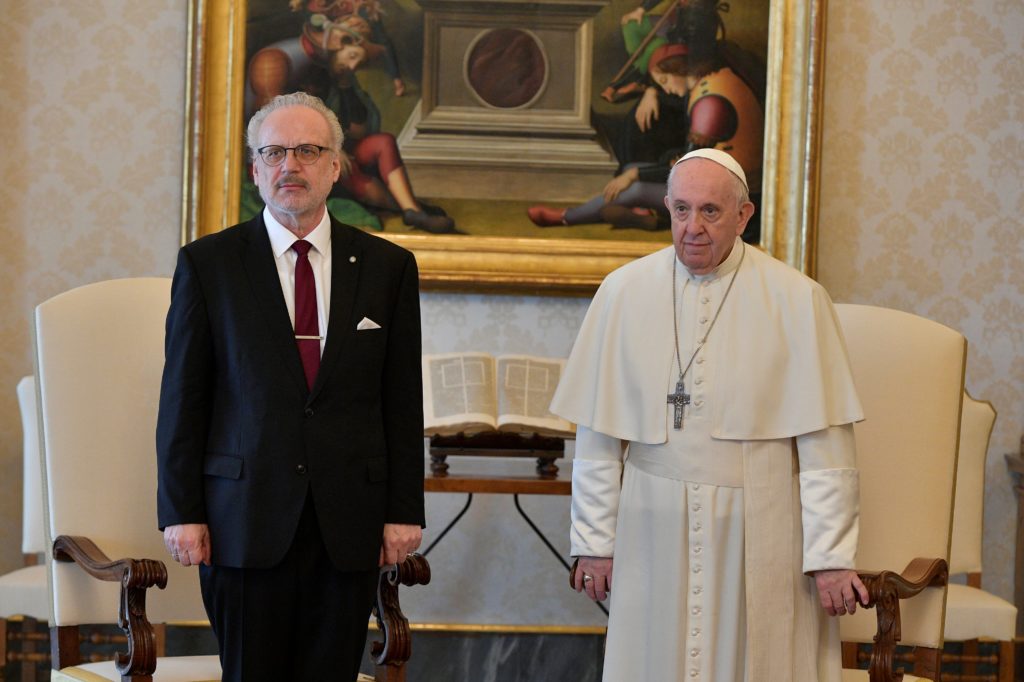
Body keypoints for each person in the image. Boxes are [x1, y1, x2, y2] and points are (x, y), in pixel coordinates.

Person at [550, 148, 868, 681]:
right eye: (680, 210)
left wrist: (831, 556)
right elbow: (599, 437)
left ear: (743, 216)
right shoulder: (623, 292)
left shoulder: (796, 299)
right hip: (651, 523)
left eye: (710, 212)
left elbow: (826, 447)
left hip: (759, 520)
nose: (692, 228)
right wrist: (594, 544)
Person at [156, 91, 425, 682]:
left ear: (336, 166)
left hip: (349, 521)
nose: (290, 166)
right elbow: (183, 397)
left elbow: (402, 400)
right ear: (255, 169)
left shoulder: (387, 267)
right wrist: (182, 511)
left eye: (307, 150)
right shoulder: (210, 265)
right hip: (242, 520)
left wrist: (404, 510)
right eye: (274, 152)